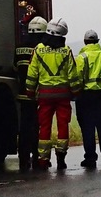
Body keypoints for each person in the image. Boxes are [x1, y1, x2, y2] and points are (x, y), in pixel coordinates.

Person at [25, 18, 81, 170]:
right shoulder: (66, 51)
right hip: (63, 97)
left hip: (44, 96)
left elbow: (32, 74)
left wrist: (30, 91)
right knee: (63, 127)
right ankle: (61, 158)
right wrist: (76, 92)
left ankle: (43, 160)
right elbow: (73, 75)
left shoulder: (38, 50)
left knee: (44, 127)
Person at [75, 29, 101, 169]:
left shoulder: (81, 58)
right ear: (97, 42)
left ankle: (90, 158)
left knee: (87, 128)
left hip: (85, 97)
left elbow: (77, 78)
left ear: (85, 42)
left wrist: (76, 94)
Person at [14, 15, 47, 171]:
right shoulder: (41, 49)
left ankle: (23, 158)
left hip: (22, 95)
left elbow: (15, 67)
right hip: (37, 95)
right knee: (37, 127)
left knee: (24, 128)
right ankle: (36, 156)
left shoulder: (19, 48)